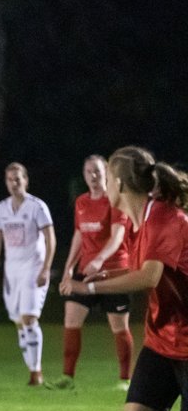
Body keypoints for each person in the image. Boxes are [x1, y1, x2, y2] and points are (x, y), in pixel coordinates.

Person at [61, 145, 188, 411]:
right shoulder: (135, 222)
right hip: (161, 339)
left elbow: (148, 278)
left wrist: (91, 284)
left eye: (107, 179)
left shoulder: (167, 218)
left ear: (117, 183)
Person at [52, 155, 133, 390]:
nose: (93, 176)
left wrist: (99, 259)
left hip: (114, 272)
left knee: (118, 326)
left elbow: (118, 236)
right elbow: (79, 235)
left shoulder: (116, 201)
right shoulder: (81, 202)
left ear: (106, 172)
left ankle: (124, 379)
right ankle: (67, 376)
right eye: (88, 172)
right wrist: (68, 268)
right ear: (84, 175)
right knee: (71, 319)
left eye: (97, 171)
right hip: (85, 271)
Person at [0, 163, 57, 386]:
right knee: (18, 322)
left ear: (26, 180)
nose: (14, 183)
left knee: (29, 318)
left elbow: (50, 239)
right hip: (11, 271)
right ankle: (31, 368)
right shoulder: (1, 208)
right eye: (9, 179)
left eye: (17, 179)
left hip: (32, 268)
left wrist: (46, 268)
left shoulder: (37, 207)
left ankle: (36, 372)